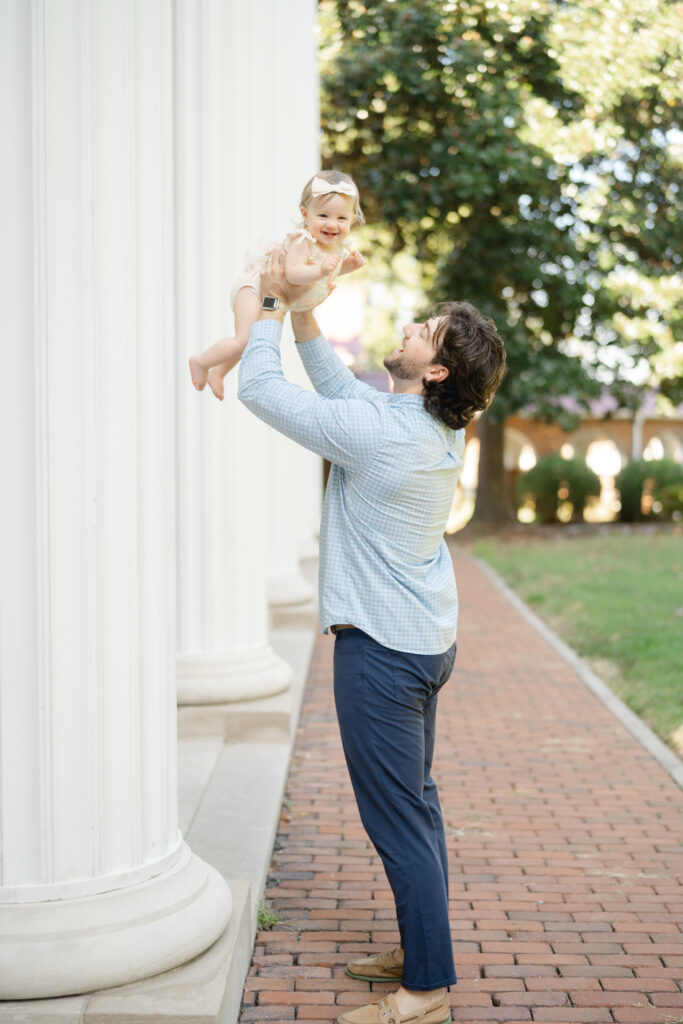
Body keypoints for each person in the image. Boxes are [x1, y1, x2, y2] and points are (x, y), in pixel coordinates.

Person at [237, 249, 506, 1024]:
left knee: (398, 816)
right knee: (414, 808)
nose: (414, 324)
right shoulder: (418, 420)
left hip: (384, 654)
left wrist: (265, 304)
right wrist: (305, 311)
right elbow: (336, 388)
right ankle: (422, 944)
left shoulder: (383, 434)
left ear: (436, 374)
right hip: (418, 640)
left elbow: (261, 387)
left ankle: (424, 994)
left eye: (429, 330)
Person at [188, 170, 365, 400]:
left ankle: (218, 372)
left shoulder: (334, 248)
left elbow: (324, 273)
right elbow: (293, 274)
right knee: (243, 340)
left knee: (251, 339)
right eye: (323, 215)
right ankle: (201, 362)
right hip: (253, 288)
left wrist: (346, 267)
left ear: (351, 219)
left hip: (268, 293)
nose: (332, 224)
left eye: (341, 218)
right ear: (305, 213)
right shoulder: (303, 241)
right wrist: (321, 269)